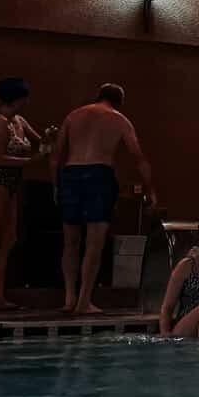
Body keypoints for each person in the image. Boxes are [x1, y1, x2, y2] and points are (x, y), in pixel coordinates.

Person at [52, 83, 154, 315]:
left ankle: (69, 298)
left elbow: (56, 155)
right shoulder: (119, 119)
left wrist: (56, 185)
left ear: (98, 96)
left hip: (70, 173)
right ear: (119, 101)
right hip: (99, 174)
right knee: (94, 243)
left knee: (70, 242)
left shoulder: (73, 116)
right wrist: (150, 190)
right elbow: (138, 157)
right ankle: (84, 301)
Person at [0, 77, 51, 313]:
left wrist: (49, 137)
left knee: (8, 239)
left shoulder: (19, 120)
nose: (28, 101)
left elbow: (39, 141)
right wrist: (30, 161)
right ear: (17, 98)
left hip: (11, 184)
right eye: (25, 97)